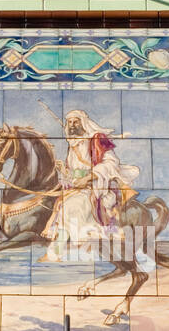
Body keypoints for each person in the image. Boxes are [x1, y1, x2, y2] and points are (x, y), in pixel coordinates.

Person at [40, 109, 140, 263]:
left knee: (73, 206)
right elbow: (74, 173)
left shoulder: (97, 139)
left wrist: (88, 177)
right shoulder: (72, 145)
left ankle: (62, 251)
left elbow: (111, 163)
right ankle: (59, 251)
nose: (72, 125)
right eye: (70, 122)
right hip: (77, 187)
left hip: (97, 184)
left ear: (83, 123)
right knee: (59, 205)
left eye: (76, 122)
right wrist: (64, 170)